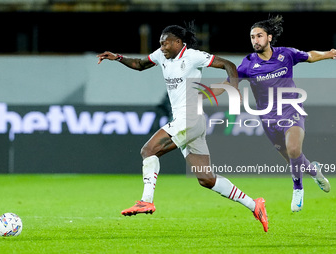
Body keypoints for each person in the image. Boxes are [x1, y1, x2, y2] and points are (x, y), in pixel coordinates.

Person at [97, 23, 268, 232]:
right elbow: (140, 64)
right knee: (206, 179)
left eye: (166, 42)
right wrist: (119, 58)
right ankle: (254, 204)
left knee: (148, 151)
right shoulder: (161, 56)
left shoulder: (194, 56)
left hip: (190, 118)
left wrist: (233, 87)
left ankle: (145, 200)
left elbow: (229, 65)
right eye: (160, 43)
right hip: (189, 120)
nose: (162, 46)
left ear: (178, 42)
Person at [221, 15, 334, 212]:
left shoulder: (286, 54)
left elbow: (310, 55)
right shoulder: (248, 64)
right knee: (293, 157)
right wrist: (206, 93)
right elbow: (231, 81)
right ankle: (314, 172)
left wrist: (329, 53)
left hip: (292, 109)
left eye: (259, 36)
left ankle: (298, 188)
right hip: (268, 118)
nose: (255, 40)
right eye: (252, 37)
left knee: (293, 149)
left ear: (269, 37)